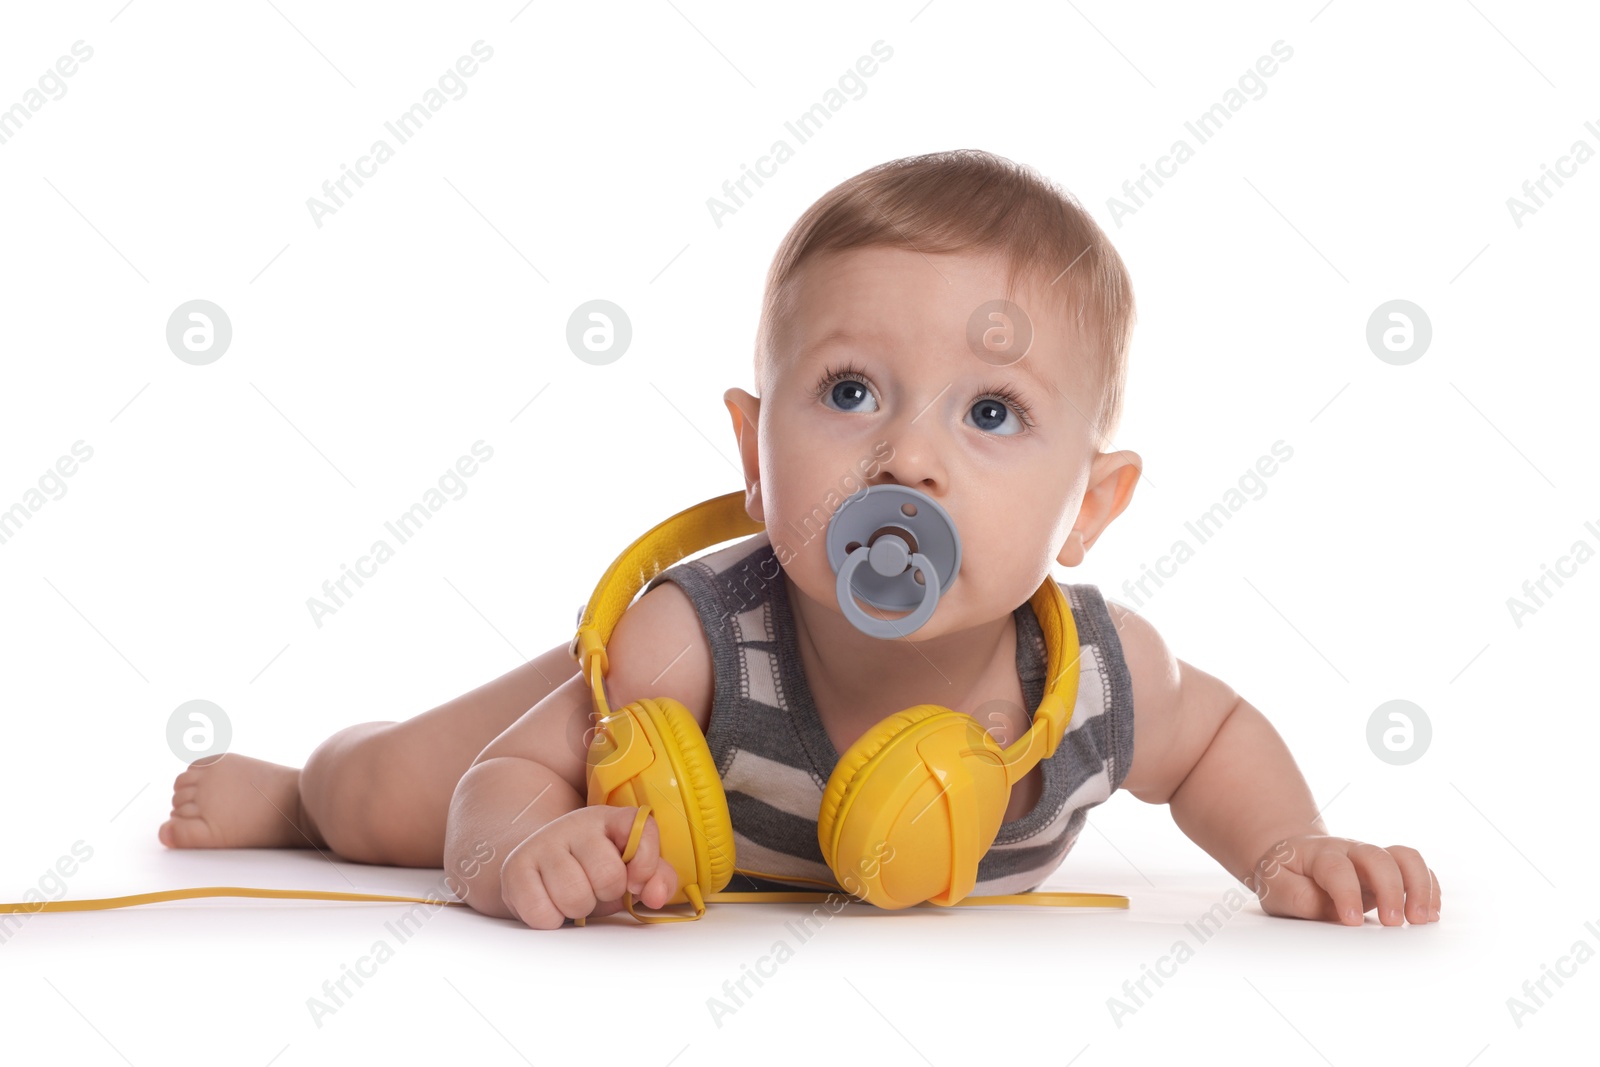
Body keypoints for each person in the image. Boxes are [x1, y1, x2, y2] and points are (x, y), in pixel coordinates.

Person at [159, 149, 1441, 931]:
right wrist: (511, 848)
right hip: (624, 730)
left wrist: (1285, 844)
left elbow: (1214, 739)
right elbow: (507, 772)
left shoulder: (1100, 681)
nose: (906, 458)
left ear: (1089, 506)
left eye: (991, 411)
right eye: (847, 391)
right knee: (390, 797)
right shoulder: (694, 639)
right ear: (755, 444)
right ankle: (297, 786)